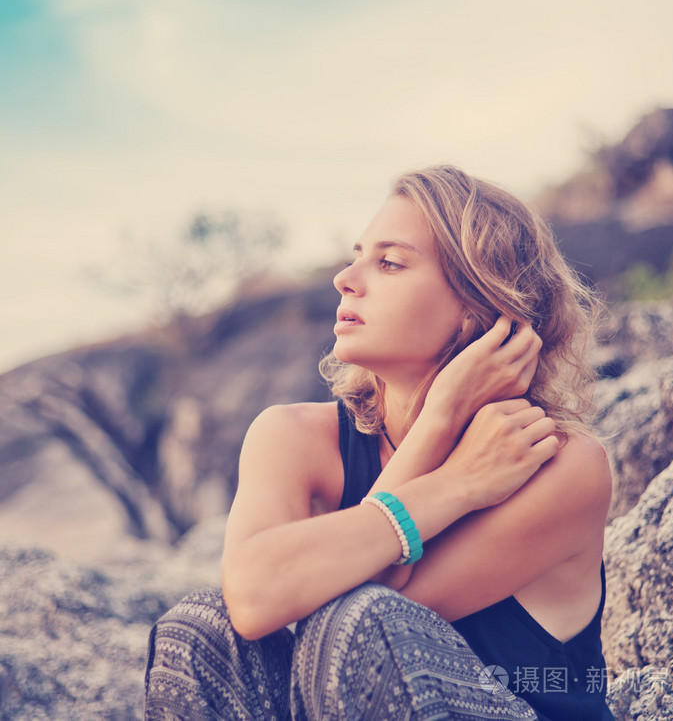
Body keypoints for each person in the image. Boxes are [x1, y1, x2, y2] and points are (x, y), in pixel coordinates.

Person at [144, 165, 614, 720]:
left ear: (478, 308)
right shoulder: (294, 437)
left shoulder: (561, 465)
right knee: (198, 631)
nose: (346, 277)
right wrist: (446, 454)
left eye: (389, 262)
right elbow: (250, 599)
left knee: (363, 622)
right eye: (357, 254)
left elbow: (359, 629)